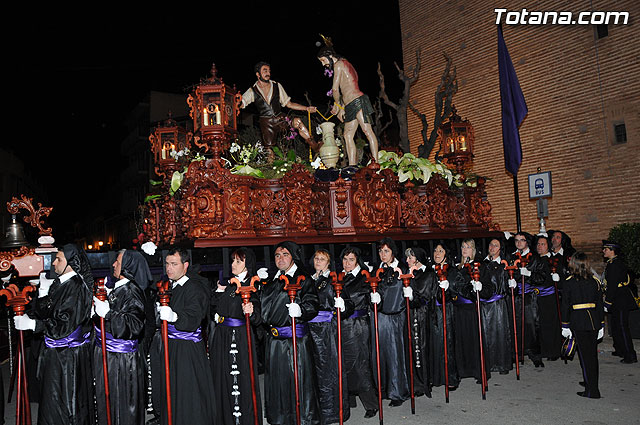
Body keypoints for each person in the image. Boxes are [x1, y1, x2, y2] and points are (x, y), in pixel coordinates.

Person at [14, 244, 94, 424]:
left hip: (66, 357)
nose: (54, 263)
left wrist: (34, 325)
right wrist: (42, 293)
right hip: (55, 353)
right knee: (50, 401)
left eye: (59, 259)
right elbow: (46, 312)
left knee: (64, 404)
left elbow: (63, 325)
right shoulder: (60, 283)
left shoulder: (76, 287)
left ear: (71, 264)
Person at [149, 247, 215, 425]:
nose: (168, 268)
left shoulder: (194, 287)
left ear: (185, 265)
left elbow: (194, 316)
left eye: (174, 264)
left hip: (187, 351)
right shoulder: (172, 286)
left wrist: (174, 317)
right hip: (173, 347)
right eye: (167, 264)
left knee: (189, 392)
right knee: (174, 391)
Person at [260, 241, 321, 425]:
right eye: (277, 255)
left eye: (285, 254)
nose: (280, 258)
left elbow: (312, 304)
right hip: (274, 341)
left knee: (300, 383)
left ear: (293, 256)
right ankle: (281, 419)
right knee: (278, 383)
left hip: (295, 342)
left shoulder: (303, 279)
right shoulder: (273, 279)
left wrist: (301, 310)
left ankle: (303, 419)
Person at [92, 249, 149, 425]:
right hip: (111, 357)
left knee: (122, 406)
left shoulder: (131, 290)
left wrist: (109, 313)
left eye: (118, 261)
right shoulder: (120, 289)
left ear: (128, 265)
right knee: (108, 403)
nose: (114, 264)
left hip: (121, 362)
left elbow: (134, 325)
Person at [210, 247, 263, 425]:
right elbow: (215, 309)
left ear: (248, 264)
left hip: (238, 339)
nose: (233, 264)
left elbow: (258, 317)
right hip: (222, 336)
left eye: (238, 261)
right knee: (222, 378)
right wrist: (218, 295)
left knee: (239, 381)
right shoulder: (230, 284)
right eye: (233, 260)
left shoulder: (252, 285)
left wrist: (252, 311)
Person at [308, 249, 352, 424]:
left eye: (322, 259)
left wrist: (342, 306)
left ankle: (333, 412)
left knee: (330, 370)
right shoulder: (309, 280)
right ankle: (316, 411)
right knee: (313, 371)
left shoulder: (334, 281)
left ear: (328, 263)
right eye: (316, 258)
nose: (318, 261)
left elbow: (349, 305)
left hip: (327, 330)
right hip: (310, 329)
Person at [317, 45, 379, 168]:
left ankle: (376, 163)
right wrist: (342, 106)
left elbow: (335, 89)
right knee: (347, 135)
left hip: (358, 101)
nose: (323, 64)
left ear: (330, 56)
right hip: (350, 103)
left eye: (323, 60)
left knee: (367, 131)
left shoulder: (339, 64)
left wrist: (338, 105)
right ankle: (352, 166)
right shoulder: (346, 64)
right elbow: (346, 89)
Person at [240, 61, 317, 157]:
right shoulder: (252, 90)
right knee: (269, 150)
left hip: (280, 119)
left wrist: (306, 108)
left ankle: (314, 145)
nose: (268, 73)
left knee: (297, 122)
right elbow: (241, 103)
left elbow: (288, 103)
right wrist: (235, 101)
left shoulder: (277, 86)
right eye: (265, 71)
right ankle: (271, 169)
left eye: (269, 71)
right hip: (266, 123)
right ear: (257, 74)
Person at [339, 247, 379, 419]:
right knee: (344, 363)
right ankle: (348, 399)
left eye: (351, 260)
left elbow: (373, 298)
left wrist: (376, 298)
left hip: (358, 325)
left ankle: (371, 403)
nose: (347, 263)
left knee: (360, 364)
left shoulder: (364, 278)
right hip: (341, 324)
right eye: (345, 259)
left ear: (357, 261)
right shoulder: (338, 277)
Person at [561, 252, 605, 398]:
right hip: (593, 320)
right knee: (591, 356)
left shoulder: (569, 282)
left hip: (578, 321)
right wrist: (601, 324)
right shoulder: (595, 281)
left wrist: (565, 325)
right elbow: (599, 304)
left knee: (586, 357)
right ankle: (590, 382)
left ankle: (592, 390)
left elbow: (565, 305)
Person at [373, 237, 410, 407]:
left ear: (393, 252)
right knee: (380, 354)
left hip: (396, 317)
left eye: (386, 251)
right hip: (380, 317)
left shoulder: (401, 270)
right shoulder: (376, 270)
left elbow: (409, 293)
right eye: (381, 251)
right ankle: (382, 389)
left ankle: (398, 392)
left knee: (395, 355)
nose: (383, 254)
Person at [453, 239, 492, 384]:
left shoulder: (480, 267)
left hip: (472, 309)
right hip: (458, 309)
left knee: (475, 340)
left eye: (468, 247)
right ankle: (462, 370)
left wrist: (480, 287)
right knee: (460, 340)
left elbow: (489, 290)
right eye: (463, 246)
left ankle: (479, 371)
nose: (464, 249)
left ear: (473, 250)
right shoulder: (456, 268)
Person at [509, 231, 547, 368]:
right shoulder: (511, 257)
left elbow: (542, 277)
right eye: (517, 240)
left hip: (529, 297)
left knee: (532, 326)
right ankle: (517, 353)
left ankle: (535, 354)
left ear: (527, 242)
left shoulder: (535, 258)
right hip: (515, 296)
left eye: (522, 240)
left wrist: (530, 274)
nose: (519, 243)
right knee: (515, 325)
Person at [428, 241, 460, 390]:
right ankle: (436, 377)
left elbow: (456, 290)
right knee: (433, 343)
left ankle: (451, 377)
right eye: (435, 250)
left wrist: (448, 289)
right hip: (432, 311)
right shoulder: (430, 270)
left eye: (440, 251)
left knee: (447, 343)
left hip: (446, 310)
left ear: (446, 254)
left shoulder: (452, 271)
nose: (437, 254)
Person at [404, 246, 435, 398]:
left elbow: (425, 296)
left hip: (422, 315)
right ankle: (414, 382)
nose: (407, 260)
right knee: (412, 348)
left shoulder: (428, 275)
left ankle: (423, 382)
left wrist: (412, 294)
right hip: (409, 314)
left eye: (410, 258)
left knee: (421, 349)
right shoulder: (409, 273)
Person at [480, 238, 513, 375]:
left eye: (496, 245)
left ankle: (501, 364)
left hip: (498, 305)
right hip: (483, 304)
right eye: (491, 244)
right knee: (485, 335)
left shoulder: (504, 265)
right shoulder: (482, 264)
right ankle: (486, 364)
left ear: (500, 249)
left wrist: (512, 284)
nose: (492, 247)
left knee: (500, 334)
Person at [602, 240, 638, 364]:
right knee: (616, 325)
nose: (603, 251)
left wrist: (607, 302)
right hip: (617, 299)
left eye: (606, 249)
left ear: (612, 251)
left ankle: (630, 355)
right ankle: (620, 349)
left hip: (620, 299)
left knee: (622, 327)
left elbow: (612, 285)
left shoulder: (615, 264)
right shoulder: (612, 263)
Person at [534, 234, 562, 361]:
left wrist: (557, 278)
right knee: (541, 324)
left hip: (550, 298)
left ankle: (553, 351)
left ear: (548, 247)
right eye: (538, 244)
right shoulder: (536, 260)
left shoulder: (553, 260)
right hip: (538, 297)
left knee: (551, 324)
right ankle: (544, 349)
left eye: (543, 244)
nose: (540, 246)